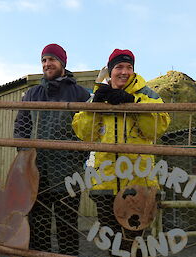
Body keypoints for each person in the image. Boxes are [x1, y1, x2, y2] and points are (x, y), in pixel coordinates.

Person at [72, 49, 170, 256]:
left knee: (133, 243)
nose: (124, 72)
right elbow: (84, 133)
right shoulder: (97, 97)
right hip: (105, 182)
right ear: (110, 71)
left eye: (129, 67)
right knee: (111, 243)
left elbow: (156, 129)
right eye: (119, 67)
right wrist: (96, 105)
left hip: (138, 183)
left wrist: (132, 104)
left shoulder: (147, 95)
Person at [14, 43, 90, 256]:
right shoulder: (32, 94)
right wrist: (24, 155)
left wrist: (78, 158)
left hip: (68, 170)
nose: (47, 64)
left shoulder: (80, 94)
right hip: (37, 171)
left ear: (62, 63)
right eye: (44, 60)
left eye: (52, 60)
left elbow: (90, 130)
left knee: (67, 222)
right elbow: (21, 126)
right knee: (38, 221)